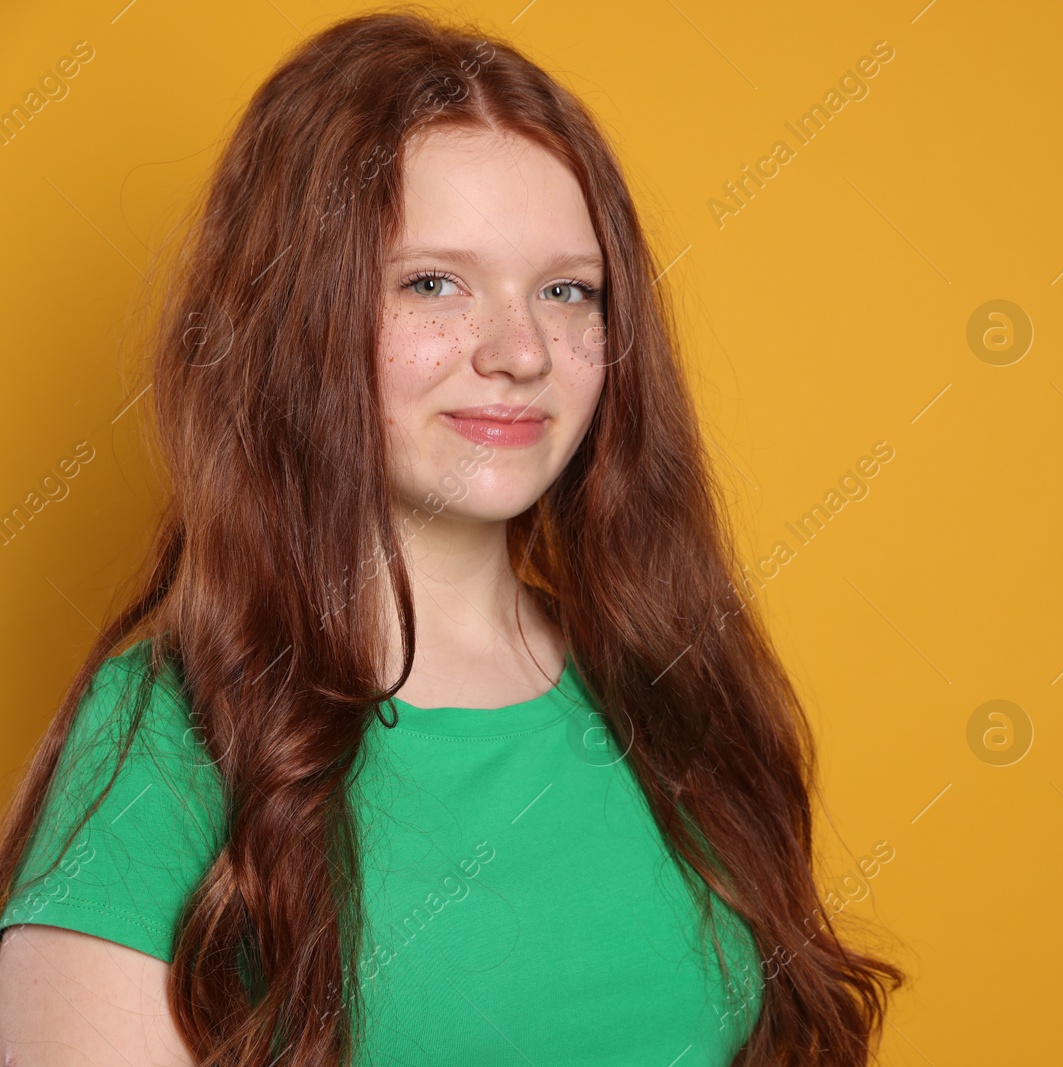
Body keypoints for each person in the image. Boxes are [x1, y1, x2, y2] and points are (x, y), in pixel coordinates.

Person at [0, 12, 902, 1066]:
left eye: (567, 290)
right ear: (296, 313)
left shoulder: (672, 685)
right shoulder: (166, 739)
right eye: (434, 282)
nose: (520, 350)